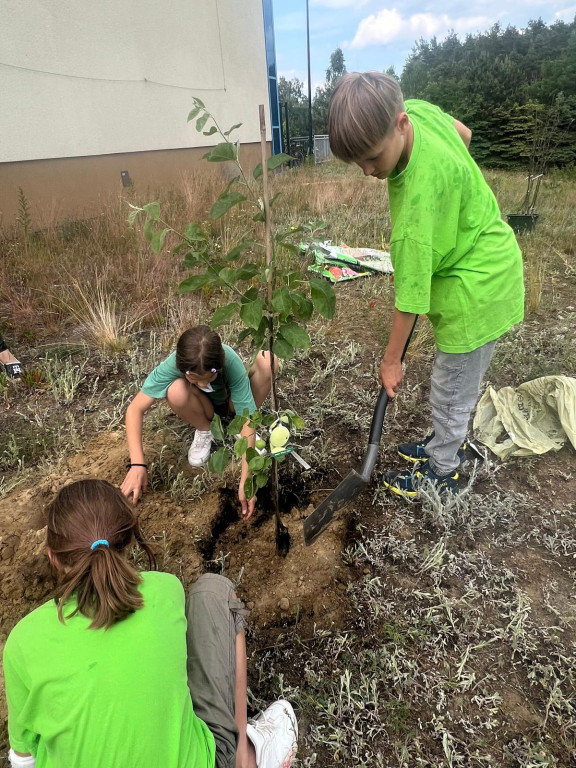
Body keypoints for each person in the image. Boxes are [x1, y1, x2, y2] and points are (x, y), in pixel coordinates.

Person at [3, 479, 298, 768]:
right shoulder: (164, 590)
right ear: (130, 537)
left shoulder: (23, 641)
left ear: (52, 557)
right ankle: (243, 760)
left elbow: (23, 759)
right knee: (213, 591)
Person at [327, 72, 524, 498]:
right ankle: (442, 444)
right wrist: (451, 193)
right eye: (357, 162)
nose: (366, 171)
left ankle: (445, 468)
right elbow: (462, 133)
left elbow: (409, 301)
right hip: (488, 256)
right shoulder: (419, 113)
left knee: (451, 389)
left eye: (373, 158)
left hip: (480, 289)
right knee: (452, 384)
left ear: (399, 125)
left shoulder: (414, 222)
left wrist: (390, 362)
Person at [121, 326, 277, 518]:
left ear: (219, 366)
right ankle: (205, 429)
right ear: (182, 368)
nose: (203, 384)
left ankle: (237, 427)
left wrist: (247, 480)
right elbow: (135, 409)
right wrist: (138, 465)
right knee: (175, 390)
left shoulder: (230, 363)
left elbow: (250, 421)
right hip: (205, 408)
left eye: (209, 378)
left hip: (232, 405)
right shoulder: (173, 365)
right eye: (195, 379)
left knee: (268, 360)